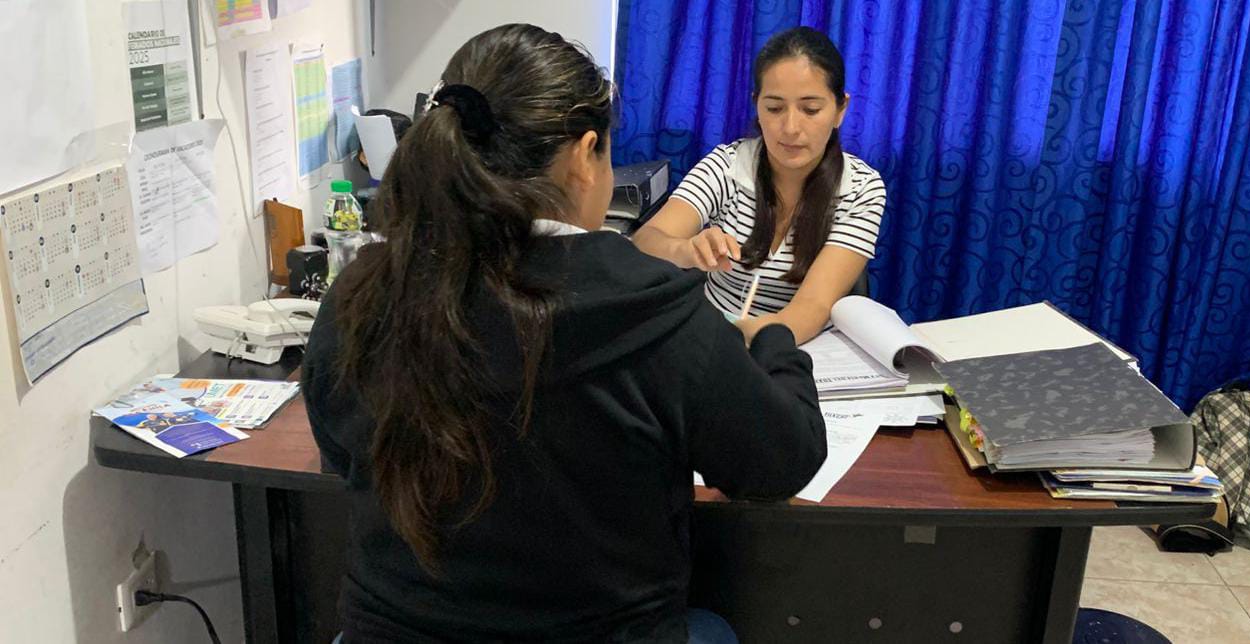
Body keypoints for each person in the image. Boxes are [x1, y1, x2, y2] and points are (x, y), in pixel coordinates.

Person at [301, 23, 826, 643]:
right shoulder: (650, 308)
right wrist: (775, 345)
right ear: (584, 155)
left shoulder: (360, 292)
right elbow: (781, 461)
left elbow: (340, 452)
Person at [632, 27, 886, 345]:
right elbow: (646, 240)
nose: (790, 128)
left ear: (840, 110)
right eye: (774, 108)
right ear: (757, 105)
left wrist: (736, 341)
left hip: (796, 348)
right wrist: (686, 250)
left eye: (810, 110)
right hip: (711, 335)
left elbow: (811, 308)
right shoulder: (726, 166)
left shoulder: (862, 189)